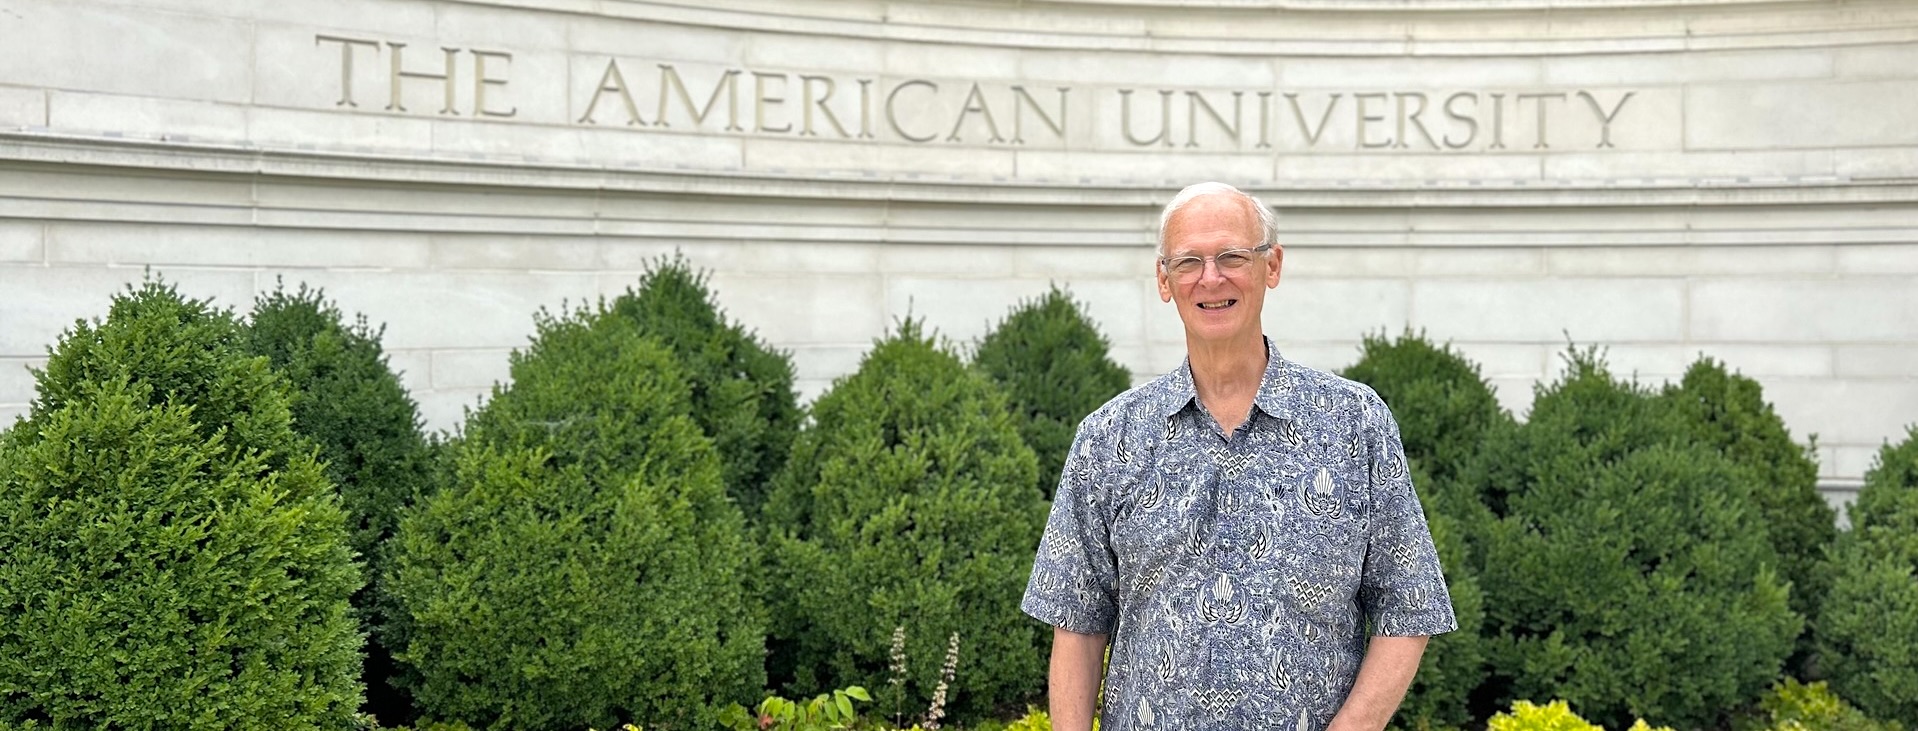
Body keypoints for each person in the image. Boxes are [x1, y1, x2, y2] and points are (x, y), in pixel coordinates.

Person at [1021, 182, 1456, 731]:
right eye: (1189, 262)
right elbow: (1078, 626)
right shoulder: (1109, 437)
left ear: (1271, 266)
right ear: (1163, 280)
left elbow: (1407, 604)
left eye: (1231, 256)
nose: (1211, 278)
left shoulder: (1355, 422)